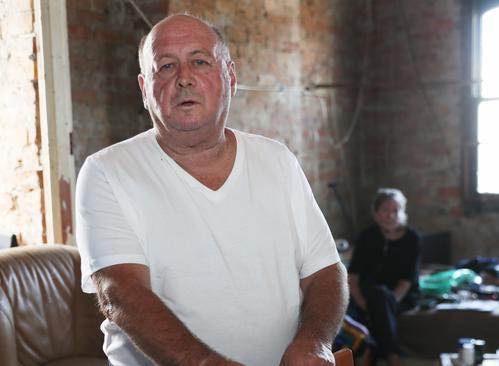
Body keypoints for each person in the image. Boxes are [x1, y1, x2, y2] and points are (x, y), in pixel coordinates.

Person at [75, 14, 348, 366]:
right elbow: (121, 292)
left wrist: (315, 342)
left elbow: (325, 270)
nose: (184, 79)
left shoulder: (276, 160)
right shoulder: (107, 171)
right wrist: (204, 363)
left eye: (200, 61)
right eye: (166, 67)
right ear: (145, 89)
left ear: (230, 77)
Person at [347, 188, 420, 366]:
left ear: (402, 213)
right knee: (375, 296)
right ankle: (390, 355)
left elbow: (407, 279)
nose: (390, 216)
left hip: (401, 297)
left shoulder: (412, 238)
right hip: (367, 295)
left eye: (395, 211)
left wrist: (390, 301)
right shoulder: (366, 236)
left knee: (380, 296)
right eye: (385, 210)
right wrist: (361, 302)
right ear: (376, 212)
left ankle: (385, 355)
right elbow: (354, 275)